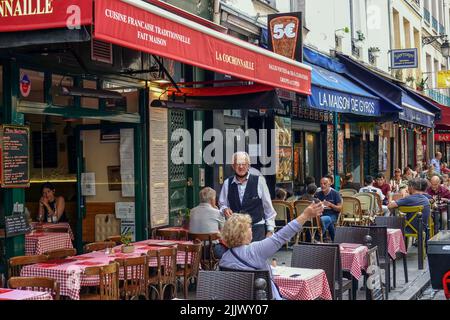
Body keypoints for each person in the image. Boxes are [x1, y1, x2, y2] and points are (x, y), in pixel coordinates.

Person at [219, 202, 323, 300]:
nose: (252, 230)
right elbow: (280, 237)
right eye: (249, 228)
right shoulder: (254, 251)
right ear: (243, 233)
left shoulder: (224, 258)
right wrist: (304, 216)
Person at [219, 152, 276, 242]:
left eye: (243, 164)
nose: (241, 167)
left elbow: (268, 209)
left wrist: (270, 230)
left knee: (257, 256)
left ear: (248, 165)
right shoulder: (227, 183)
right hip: (236, 232)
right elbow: (222, 205)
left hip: (257, 230)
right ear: (233, 166)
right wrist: (224, 209)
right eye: (238, 164)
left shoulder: (259, 181)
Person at [189, 187, 226, 258]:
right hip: (212, 250)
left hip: (195, 250)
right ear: (212, 200)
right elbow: (224, 231)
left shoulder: (192, 211)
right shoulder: (217, 213)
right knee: (229, 252)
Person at [316, 177, 342, 241]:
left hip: (332, 214)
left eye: (325, 184)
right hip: (321, 214)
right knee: (326, 220)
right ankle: (334, 240)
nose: (322, 185)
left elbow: (339, 209)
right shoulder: (318, 194)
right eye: (321, 184)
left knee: (326, 219)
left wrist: (331, 205)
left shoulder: (335, 193)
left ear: (330, 184)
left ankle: (320, 237)